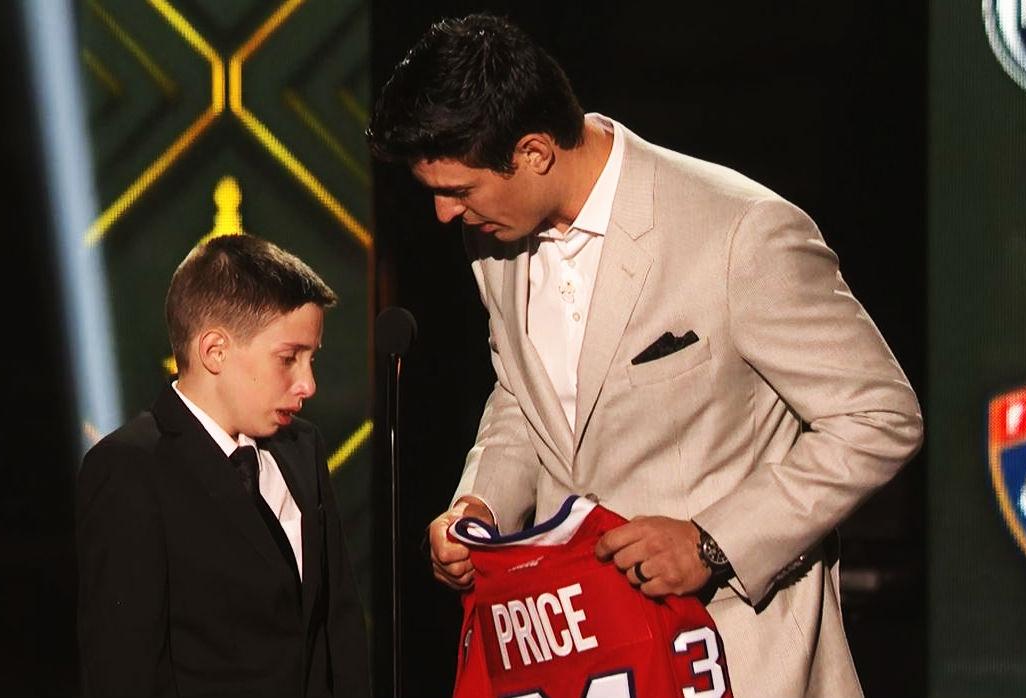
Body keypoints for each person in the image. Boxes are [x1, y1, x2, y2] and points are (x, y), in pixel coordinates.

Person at [367, 14, 922, 698]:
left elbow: (879, 418)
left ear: (535, 152)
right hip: (582, 662)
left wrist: (711, 542)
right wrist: (481, 504)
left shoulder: (739, 232)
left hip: (736, 658)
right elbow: (524, 395)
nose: (445, 215)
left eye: (458, 191)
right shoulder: (493, 238)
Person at [75, 234, 371, 697]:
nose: (308, 384)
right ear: (214, 351)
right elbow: (124, 670)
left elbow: (339, 628)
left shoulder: (302, 447)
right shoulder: (131, 468)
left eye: (312, 358)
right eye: (289, 358)